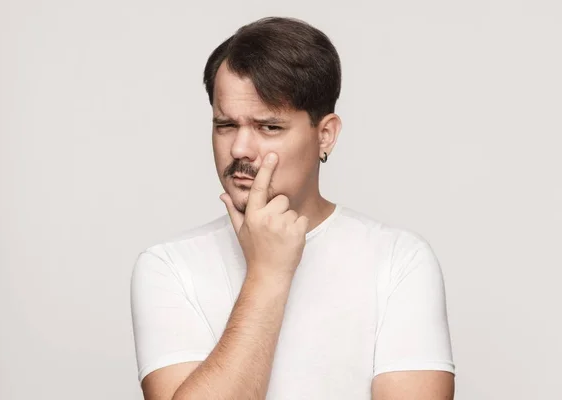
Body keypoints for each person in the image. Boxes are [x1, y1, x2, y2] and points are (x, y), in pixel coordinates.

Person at [130, 16, 455, 400]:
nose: (239, 149)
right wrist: (267, 274)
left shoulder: (399, 261)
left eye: (269, 127)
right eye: (225, 125)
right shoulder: (168, 267)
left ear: (326, 135)